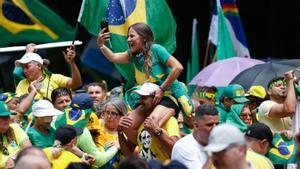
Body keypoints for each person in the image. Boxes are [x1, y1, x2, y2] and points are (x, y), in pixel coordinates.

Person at [98, 22, 193, 144]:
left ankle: (159, 152)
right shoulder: (133, 55)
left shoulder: (157, 49)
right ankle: (144, 151)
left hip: (169, 96)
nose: (128, 40)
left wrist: (162, 89)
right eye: (128, 36)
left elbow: (178, 67)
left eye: (132, 36)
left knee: (151, 124)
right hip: (149, 98)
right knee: (127, 125)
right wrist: (101, 45)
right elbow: (113, 57)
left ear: (143, 38)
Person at [118, 82, 180, 162]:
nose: (140, 101)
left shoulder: (170, 121)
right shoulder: (139, 123)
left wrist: (157, 132)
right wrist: (120, 133)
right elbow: (128, 154)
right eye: (140, 98)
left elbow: (177, 151)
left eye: (144, 98)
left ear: (156, 99)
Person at [14, 43, 82, 115]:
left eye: (27, 66)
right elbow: (19, 110)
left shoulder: (54, 78)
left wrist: (72, 62)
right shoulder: (22, 83)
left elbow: (76, 83)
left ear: (39, 66)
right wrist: (32, 92)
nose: (24, 70)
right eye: (23, 68)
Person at [171, 104, 219, 169]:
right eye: (209, 125)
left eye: (217, 124)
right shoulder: (183, 147)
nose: (215, 128)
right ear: (196, 126)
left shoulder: (217, 143)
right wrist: (212, 156)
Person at [90, 97, 128, 169]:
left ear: (122, 115)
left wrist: (122, 144)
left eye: (113, 113)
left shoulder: (126, 133)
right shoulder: (96, 124)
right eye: (107, 112)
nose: (109, 116)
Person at [0, 101, 32, 168]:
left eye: (8, 116)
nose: (7, 119)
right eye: (3, 117)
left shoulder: (14, 128)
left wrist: (13, 158)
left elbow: (29, 148)